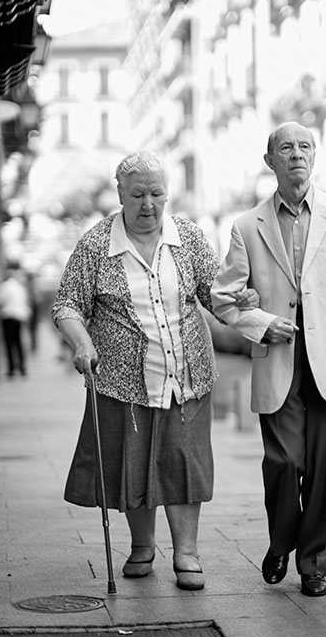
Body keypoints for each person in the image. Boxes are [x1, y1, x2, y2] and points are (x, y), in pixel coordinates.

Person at [51, 151, 256, 590]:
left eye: (157, 193)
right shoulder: (96, 245)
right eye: (138, 194)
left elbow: (214, 294)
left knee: (184, 459)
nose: (148, 204)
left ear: (168, 194)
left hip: (187, 372)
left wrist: (242, 303)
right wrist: (82, 342)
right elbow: (67, 303)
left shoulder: (189, 238)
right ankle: (142, 546)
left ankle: (187, 553)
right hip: (123, 380)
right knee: (134, 462)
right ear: (121, 194)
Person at [212, 121, 326, 597]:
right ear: (270, 161)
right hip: (278, 358)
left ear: (315, 157)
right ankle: (281, 539)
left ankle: (314, 564)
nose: (296, 154)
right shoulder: (247, 226)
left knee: (324, 469)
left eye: (304, 146)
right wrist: (261, 322)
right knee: (284, 461)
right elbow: (223, 299)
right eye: (286, 148)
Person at [0, 262, 30, 378]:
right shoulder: (19, 287)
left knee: (9, 343)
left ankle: (11, 369)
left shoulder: (5, 286)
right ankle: (22, 367)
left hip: (8, 316)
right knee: (18, 342)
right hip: (19, 317)